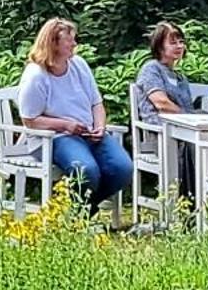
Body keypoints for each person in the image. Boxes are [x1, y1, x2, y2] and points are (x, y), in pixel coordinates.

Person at [16, 17, 132, 213]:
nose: (75, 44)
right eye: (69, 40)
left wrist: (100, 126)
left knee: (123, 169)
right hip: (55, 137)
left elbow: (97, 103)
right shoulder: (36, 75)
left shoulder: (79, 65)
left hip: (87, 132)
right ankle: (80, 214)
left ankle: (82, 210)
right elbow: (29, 120)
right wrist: (65, 125)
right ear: (53, 43)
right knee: (86, 171)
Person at [133, 21, 201, 193]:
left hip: (184, 130)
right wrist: (189, 117)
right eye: (173, 42)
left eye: (181, 42)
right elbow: (161, 102)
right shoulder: (151, 69)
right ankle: (187, 198)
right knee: (196, 144)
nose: (179, 46)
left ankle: (207, 196)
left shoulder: (180, 77)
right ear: (160, 46)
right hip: (160, 133)